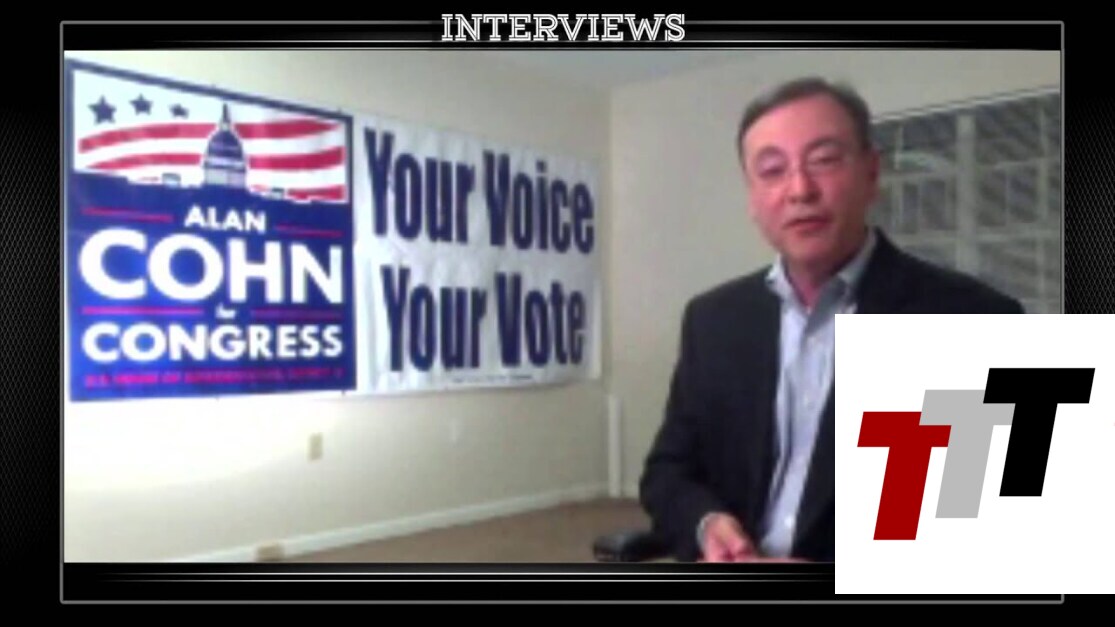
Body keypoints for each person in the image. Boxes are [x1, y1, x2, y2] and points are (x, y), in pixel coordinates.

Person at [638, 77, 1024, 563]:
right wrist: (707, 523)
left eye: (823, 160)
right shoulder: (713, 321)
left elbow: (993, 533)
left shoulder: (973, 320)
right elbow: (668, 472)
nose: (800, 190)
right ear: (753, 198)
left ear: (871, 173)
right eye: (772, 170)